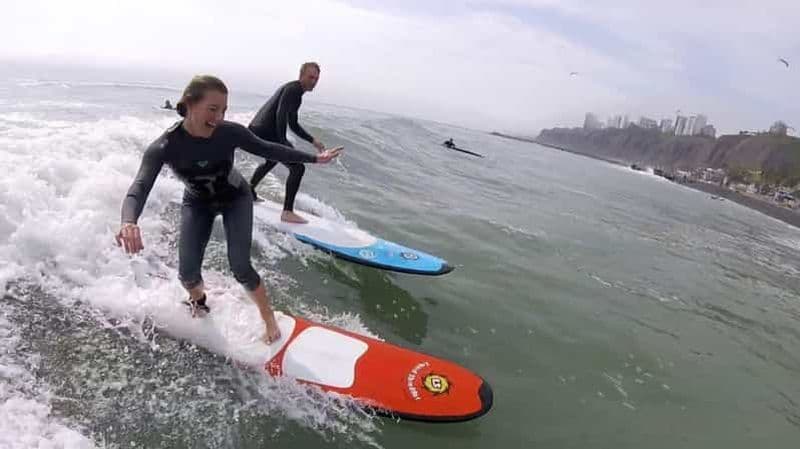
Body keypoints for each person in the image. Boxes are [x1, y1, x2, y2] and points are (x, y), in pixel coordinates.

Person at [116, 75, 342, 344]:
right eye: (213, 109)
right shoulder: (164, 146)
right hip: (198, 203)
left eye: (224, 110)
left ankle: (268, 317)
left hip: (236, 198)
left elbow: (269, 148)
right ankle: (200, 302)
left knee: (241, 266)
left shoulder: (229, 133)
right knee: (187, 276)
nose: (219, 117)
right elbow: (140, 186)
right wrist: (129, 221)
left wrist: (314, 158)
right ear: (189, 104)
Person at [248, 62, 326, 223]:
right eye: (311, 77)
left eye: (316, 79)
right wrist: (283, 142)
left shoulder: (296, 94)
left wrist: (313, 140)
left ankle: (249, 191)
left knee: (271, 161)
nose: (313, 81)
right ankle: (287, 212)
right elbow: (280, 114)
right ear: (301, 75)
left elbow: (293, 124)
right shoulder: (293, 90)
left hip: (259, 130)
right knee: (298, 167)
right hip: (265, 132)